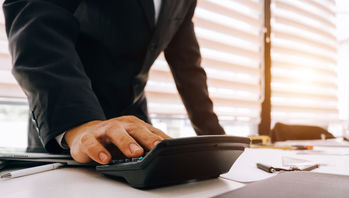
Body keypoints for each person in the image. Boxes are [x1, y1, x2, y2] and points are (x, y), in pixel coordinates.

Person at [3, 0, 225, 164]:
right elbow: (36, 16)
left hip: (134, 125)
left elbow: (188, 67)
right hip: (70, 122)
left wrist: (218, 141)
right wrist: (79, 123)